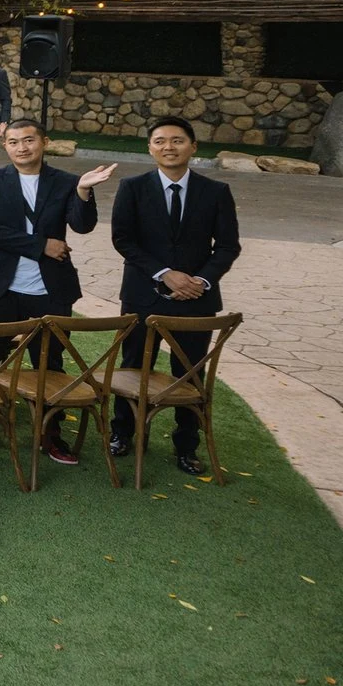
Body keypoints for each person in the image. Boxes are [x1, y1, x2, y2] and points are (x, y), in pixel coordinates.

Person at [0, 120, 117, 460]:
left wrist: (83, 191)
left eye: (29, 140)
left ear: (44, 142)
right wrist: (40, 245)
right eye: (13, 141)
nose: (22, 147)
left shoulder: (66, 182)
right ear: (5, 146)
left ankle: (49, 433)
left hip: (49, 289)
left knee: (49, 362)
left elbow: (83, 225)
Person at [108, 116, 241, 475]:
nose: (169, 147)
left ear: (193, 147)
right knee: (133, 365)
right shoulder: (132, 188)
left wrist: (200, 280)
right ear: (150, 148)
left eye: (178, 140)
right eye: (161, 141)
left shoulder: (216, 192)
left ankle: (186, 446)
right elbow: (123, 239)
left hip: (197, 299)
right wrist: (165, 274)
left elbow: (228, 246)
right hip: (142, 294)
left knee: (190, 373)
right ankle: (122, 432)